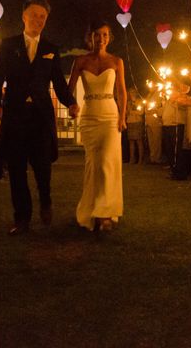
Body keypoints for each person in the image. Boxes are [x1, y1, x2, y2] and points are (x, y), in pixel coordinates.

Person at [0, 0, 79, 235]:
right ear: (23, 16)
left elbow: (58, 82)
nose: (38, 20)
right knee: (17, 169)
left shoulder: (51, 49)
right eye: (34, 15)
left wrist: (70, 102)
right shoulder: (8, 45)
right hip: (15, 114)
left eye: (43, 17)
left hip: (40, 117)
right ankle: (22, 218)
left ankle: (46, 200)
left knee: (42, 166)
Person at [68, 21, 127, 231]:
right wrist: (72, 105)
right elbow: (69, 88)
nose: (100, 39)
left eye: (104, 35)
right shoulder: (80, 61)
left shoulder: (116, 61)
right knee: (93, 164)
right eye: (96, 35)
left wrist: (122, 116)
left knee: (107, 163)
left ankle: (105, 213)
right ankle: (91, 209)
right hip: (90, 115)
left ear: (109, 38)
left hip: (111, 116)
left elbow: (121, 91)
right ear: (89, 38)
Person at [126, 88, 145, 164]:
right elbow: (126, 112)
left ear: (136, 93)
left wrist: (131, 112)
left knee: (139, 141)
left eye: (133, 92)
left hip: (137, 122)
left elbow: (141, 112)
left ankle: (140, 160)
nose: (132, 94)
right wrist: (129, 112)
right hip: (130, 122)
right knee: (131, 141)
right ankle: (132, 159)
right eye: (130, 92)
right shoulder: (128, 102)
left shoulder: (140, 101)